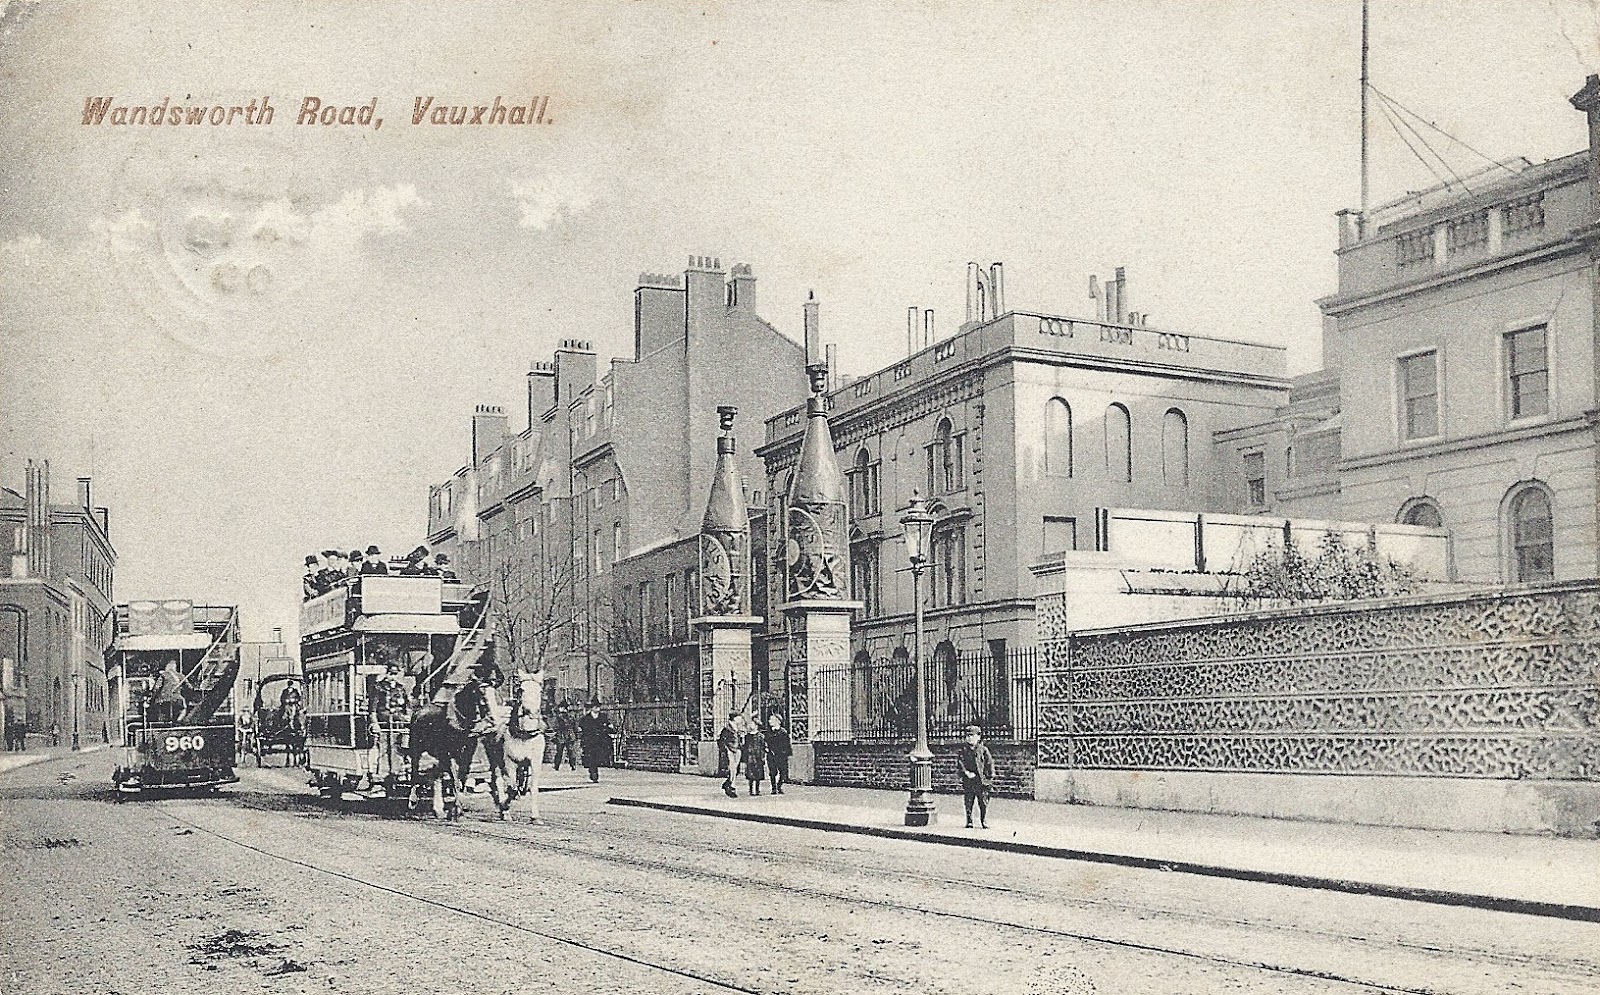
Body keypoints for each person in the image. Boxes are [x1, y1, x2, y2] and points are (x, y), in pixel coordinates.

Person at [957, 724, 996, 829]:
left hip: (981, 780)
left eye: (972, 735)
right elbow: (960, 763)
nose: (969, 738)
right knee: (968, 801)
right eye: (967, 736)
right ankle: (969, 820)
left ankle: (983, 820)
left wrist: (990, 776)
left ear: (978, 737)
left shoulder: (983, 750)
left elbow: (989, 763)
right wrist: (966, 773)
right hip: (969, 780)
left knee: (983, 802)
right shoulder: (963, 750)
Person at [577, 701, 613, 783]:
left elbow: (609, 726)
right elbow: (581, 728)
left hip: (600, 741)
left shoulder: (603, 717)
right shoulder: (586, 718)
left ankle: (593, 771)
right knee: (591, 757)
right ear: (592, 708)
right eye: (595, 707)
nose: (597, 708)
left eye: (598, 707)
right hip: (590, 741)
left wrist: (609, 728)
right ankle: (593, 773)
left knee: (598, 756)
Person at [716, 711, 741, 798]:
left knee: (735, 769)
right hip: (730, 751)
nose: (741, 719)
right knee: (732, 769)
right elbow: (721, 741)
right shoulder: (727, 729)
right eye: (739, 717)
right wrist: (726, 750)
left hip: (737, 750)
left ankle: (728, 784)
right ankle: (731, 786)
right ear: (734, 718)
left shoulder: (737, 728)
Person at [765, 713, 791, 794]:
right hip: (771, 754)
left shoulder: (783, 732)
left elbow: (787, 744)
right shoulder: (768, 732)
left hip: (781, 755)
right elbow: (766, 742)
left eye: (771, 720)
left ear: (778, 721)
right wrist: (767, 749)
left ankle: (779, 786)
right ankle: (773, 788)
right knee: (772, 771)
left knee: (783, 771)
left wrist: (786, 754)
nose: (769, 721)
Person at [551, 703, 579, 771]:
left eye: (561, 707)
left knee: (561, 751)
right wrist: (575, 734)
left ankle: (557, 765)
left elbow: (555, 726)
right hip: (568, 734)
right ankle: (572, 765)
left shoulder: (559, 717)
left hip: (563, 735)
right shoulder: (570, 716)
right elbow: (575, 726)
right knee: (569, 751)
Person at [742, 720, 767, 796]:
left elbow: (763, 747)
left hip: (758, 757)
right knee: (750, 775)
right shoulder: (747, 736)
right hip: (750, 757)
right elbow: (745, 747)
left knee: (758, 775)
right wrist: (745, 758)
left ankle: (757, 790)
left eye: (752, 724)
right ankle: (750, 790)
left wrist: (762, 757)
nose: (750, 725)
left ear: (756, 726)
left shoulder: (760, 736)